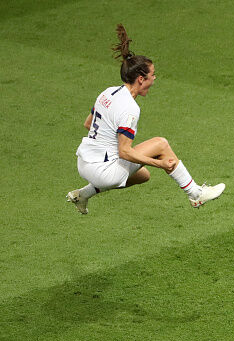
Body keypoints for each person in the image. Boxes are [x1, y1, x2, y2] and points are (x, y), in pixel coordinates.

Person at [67, 24, 225, 214]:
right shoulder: (130, 108)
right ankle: (195, 194)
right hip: (104, 171)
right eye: (152, 75)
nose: (155, 78)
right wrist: (159, 163)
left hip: (84, 163)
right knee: (160, 144)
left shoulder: (108, 92)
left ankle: (83, 194)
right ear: (141, 79)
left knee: (142, 175)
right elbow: (124, 152)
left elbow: (88, 124)